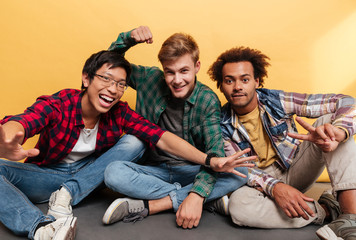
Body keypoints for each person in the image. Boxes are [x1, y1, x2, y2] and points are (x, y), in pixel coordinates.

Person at [0, 50, 251, 240]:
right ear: (86, 79)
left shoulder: (119, 112)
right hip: (48, 176)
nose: (113, 89)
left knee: (137, 140)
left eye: (121, 84)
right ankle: (41, 228)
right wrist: (9, 136)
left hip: (93, 177)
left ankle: (67, 195)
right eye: (107, 79)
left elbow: (160, 136)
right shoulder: (61, 103)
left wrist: (209, 161)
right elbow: (25, 120)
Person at [102, 26, 256, 229]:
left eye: (184, 71)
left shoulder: (207, 99)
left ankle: (157, 204)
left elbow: (215, 154)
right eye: (170, 72)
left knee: (242, 172)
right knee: (113, 173)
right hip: (153, 170)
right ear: (163, 69)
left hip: (191, 170)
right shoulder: (150, 79)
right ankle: (203, 197)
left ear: (197, 66)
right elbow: (109, 64)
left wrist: (197, 192)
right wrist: (128, 39)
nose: (177, 80)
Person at [207, 46, 356, 239]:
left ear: (256, 81)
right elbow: (245, 171)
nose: (237, 87)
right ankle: (326, 210)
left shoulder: (276, 100)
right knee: (239, 207)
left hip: (296, 166)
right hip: (258, 184)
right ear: (220, 85)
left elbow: (345, 102)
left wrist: (339, 131)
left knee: (330, 125)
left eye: (244, 79)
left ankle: (350, 218)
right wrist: (275, 187)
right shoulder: (219, 125)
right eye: (229, 81)